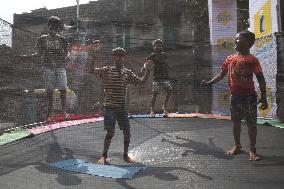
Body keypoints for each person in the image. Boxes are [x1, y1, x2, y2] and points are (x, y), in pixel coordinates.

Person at [201, 30, 268, 161]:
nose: (235, 41)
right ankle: (237, 146)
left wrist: (264, 97)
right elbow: (221, 75)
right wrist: (209, 83)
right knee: (235, 122)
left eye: (239, 39)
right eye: (236, 38)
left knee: (251, 124)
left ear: (248, 43)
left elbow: (261, 78)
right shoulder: (230, 58)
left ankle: (252, 150)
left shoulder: (252, 60)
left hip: (249, 98)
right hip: (235, 97)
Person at [90, 47, 152, 164]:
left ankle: (125, 155)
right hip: (109, 106)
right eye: (117, 56)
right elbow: (92, 70)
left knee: (127, 132)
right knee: (110, 132)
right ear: (114, 58)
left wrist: (148, 71)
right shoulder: (107, 70)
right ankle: (104, 156)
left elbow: (141, 82)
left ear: (124, 58)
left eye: (122, 56)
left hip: (121, 107)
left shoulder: (127, 73)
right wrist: (93, 56)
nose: (119, 58)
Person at [29, 16, 70, 122]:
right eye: (51, 28)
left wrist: (68, 56)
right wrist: (26, 57)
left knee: (63, 90)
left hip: (60, 67)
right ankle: (50, 113)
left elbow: (67, 52)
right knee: (49, 91)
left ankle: (64, 111)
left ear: (58, 29)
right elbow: (38, 54)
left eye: (55, 29)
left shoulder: (63, 39)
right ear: (48, 27)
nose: (53, 31)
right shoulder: (42, 39)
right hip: (48, 67)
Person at [146, 39, 173, 116]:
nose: (158, 47)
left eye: (160, 45)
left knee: (170, 91)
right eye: (156, 46)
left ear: (162, 47)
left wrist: (168, 74)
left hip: (165, 78)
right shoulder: (152, 55)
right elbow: (146, 63)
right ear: (154, 47)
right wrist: (144, 69)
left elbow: (165, 65)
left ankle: (164, 107)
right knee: (155, 94)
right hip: (157, 78)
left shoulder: (164, 55)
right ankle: (152, 110)